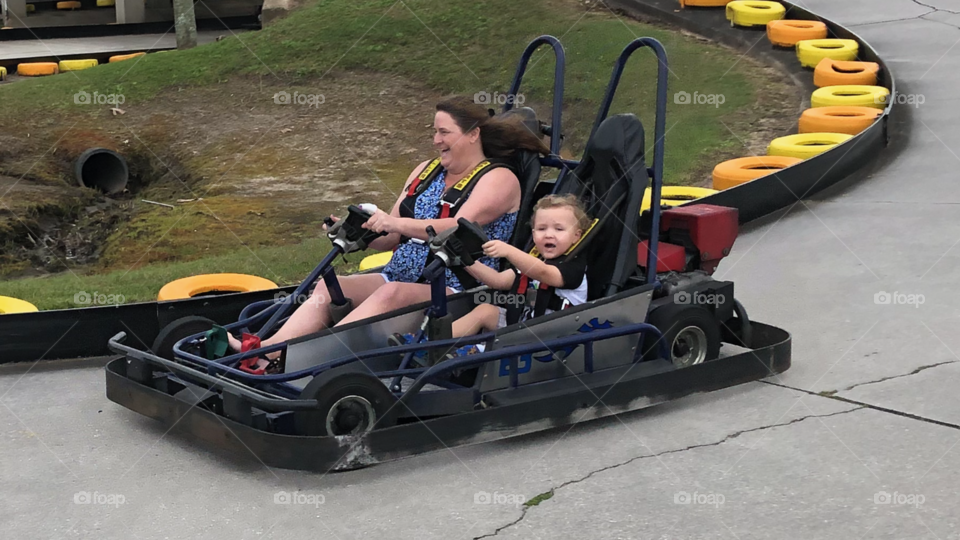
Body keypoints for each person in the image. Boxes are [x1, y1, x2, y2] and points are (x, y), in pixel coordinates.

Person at [228, 95, 548, 362]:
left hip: (458, 289)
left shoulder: (499, 178)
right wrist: (361, 232)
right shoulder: (425, 171)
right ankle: (266, 353)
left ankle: (303, 360)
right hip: (398, 275)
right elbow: (393, 238)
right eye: (434, 131)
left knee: (391, 293)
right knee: (330, 287)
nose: (436, 140)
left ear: (473, 134)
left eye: (445, 132)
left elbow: (454, 226)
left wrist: (392, 221)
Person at [390, 194, 591, 359]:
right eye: (541, 229)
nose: (548, 235)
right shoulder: (531, 261)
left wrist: (509, 251)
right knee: (486, 309)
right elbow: (497, 281)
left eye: (559, 229)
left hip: (558, 336)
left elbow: (546, 274)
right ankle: (428, 344)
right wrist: (464, 260)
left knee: (496, 326)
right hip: (526, 326)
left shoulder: (574, 266)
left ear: (576, 236)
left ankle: (470, 354)